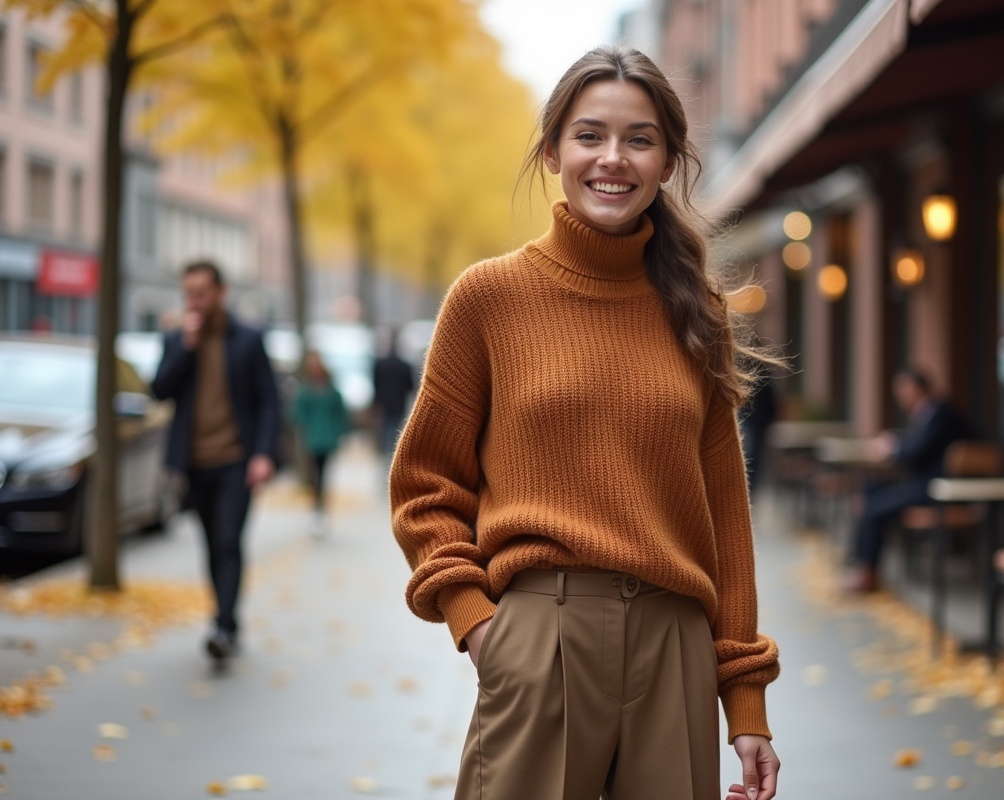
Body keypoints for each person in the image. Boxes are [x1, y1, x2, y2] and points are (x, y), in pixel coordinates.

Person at [390, 46, 781, 800]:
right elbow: (424, 487)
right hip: (538, 636)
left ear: (668, 161)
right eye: (589, 135)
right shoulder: (488, 299)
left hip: (675, 645)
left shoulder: (696, 313)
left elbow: (726, 519)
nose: (614, 158)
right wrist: (479, 625)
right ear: (551, 152)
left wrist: (747, 704)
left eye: (640, 139)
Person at [152, 260, 279, 664]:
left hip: (236, 461)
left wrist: (262, 453)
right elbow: (160, 390)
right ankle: (226, 618)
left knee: (227, 540)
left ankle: (222, 627)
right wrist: (186, 348)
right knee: (211, 542)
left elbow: (268, 400)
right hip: (194, 463)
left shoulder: (247, 338)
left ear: (221, 293)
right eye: (189, 294)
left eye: (202, 293)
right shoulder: (177, 340)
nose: (196, 302)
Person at [841, 367, 972, 594]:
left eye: (903, 390)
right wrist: (896, 444)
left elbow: (916, 450)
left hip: (939, 488)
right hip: (926, 483)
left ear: (918, 388)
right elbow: (916, 444)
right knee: (872, 487)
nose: (900, 397)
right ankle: (860, 560)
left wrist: (892, 447)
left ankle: (866, 573)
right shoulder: (929, 413)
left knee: (874, 507)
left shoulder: (940, 413)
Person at [292, 351, 349, 536]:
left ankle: (320, 509)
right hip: (311, 440)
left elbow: (341, 412)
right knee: (313, 476)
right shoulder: (306, 389)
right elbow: (297, 413)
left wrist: (340, 433)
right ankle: (315, 509)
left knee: (323, 475)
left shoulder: (330, 389)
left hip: (327, 439)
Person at [372, 330, 414, 455]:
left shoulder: (380, 364)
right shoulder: (404, 365)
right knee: (395, 427)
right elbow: (410, 385)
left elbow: (376, 384)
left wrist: (376, 401)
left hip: (384, 402)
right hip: (398, 402)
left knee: (386, 427)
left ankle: (387, 451)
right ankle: (392, 451)